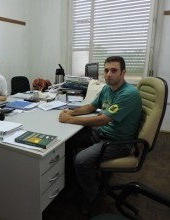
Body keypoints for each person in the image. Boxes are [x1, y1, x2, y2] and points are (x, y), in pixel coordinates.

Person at [59, 56, 142, 208]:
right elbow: (90, 107)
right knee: (66, 142)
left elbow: (102, 119)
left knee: (81, 160)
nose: (109, 74)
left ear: (123, 72)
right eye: (106, 70)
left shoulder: (129, 94)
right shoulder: (107, 88)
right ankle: (73, 184)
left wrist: (69, 120)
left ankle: (93, 195)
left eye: (114, 70)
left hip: (117, 142)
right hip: (101, 133)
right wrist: (71, 113)